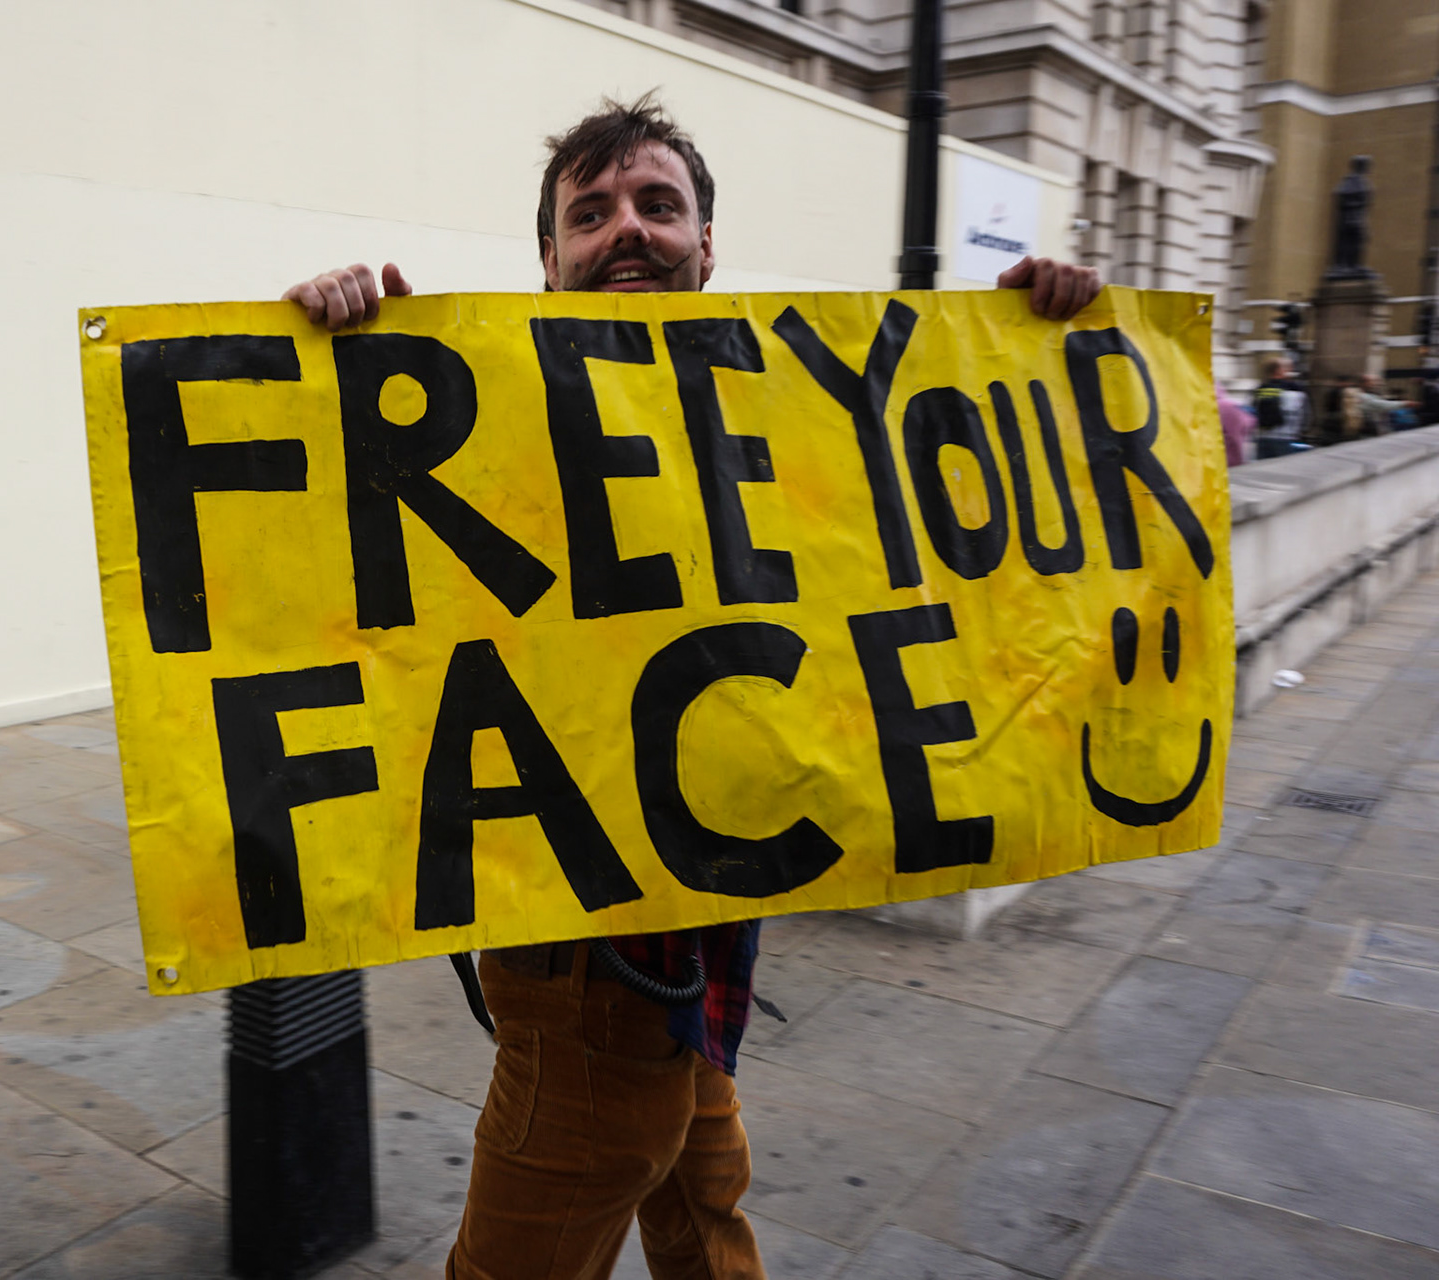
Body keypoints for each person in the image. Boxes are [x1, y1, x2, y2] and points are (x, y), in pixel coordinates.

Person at [284, 97, 1102, 1280]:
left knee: (705, 1204)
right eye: (591, 213)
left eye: (657, 204)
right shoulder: (489, 428)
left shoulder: (780, 420)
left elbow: (960, 552)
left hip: (703, 937)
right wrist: (323, 371)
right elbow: (322, 587)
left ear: (706, 245)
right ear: (550, 260)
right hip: (586, 965)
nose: (627, 228)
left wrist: (1030, 353)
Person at [1251, 354, 1313, 457]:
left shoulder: (1260, 389)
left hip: (1262, 437)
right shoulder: (1296, 391)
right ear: (1279, 371)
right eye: (1287, 367)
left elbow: (1252, 412)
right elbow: (1306, 416)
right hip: (1287, 438)